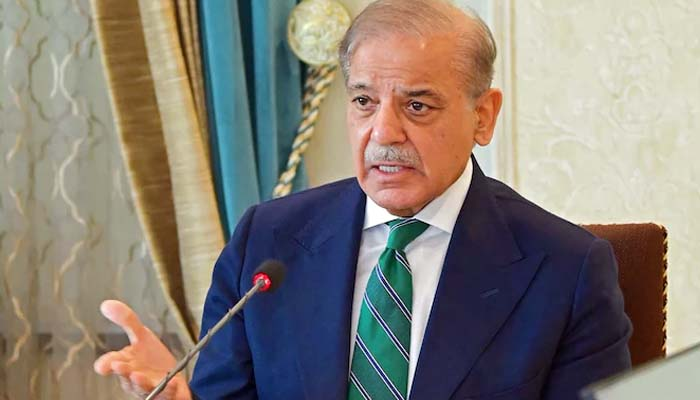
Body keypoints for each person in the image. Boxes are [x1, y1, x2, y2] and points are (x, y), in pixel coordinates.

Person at [94, 1, 632, 399]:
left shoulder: (565, 269)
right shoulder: (268, 242)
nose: (383, 133)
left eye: (417, 106)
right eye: (363, 101)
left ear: (483, 117)